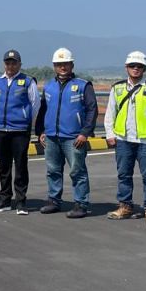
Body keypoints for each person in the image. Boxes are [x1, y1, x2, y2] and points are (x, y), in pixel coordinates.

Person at [104, 51, 146, 226]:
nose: (136, 68)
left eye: (139, 66)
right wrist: (110, 133)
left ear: (144, 69)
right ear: (126, 67)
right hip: (123, 138)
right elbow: (110, 112)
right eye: (132, 65)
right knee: (124, 174)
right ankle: (125, 206)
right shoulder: (117, 88)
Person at [35, 48, 98, 218]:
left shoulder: (83, 85)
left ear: (72, 65)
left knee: (77, 172)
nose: (62, 67)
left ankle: (81, 204)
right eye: (59, 64)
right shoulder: (49, 86)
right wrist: (41, 131)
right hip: (51, 137)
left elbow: (92, 110)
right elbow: (43, 110)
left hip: (74, 137)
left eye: (66, 64)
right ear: (54, 66)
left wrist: (85, 133)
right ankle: (54, 201)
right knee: (53, 171)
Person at [0, 49, 39, 214]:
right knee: (4, 167)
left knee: (20, 166)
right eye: (8, 63)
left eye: (14, 63)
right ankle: (4, 200)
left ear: (19, 64)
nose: (10, 66)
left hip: (19, 131)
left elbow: (35, 105)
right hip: (0, 130)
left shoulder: (28, 81)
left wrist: (26, 121)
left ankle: (20, 202)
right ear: (4, 64)